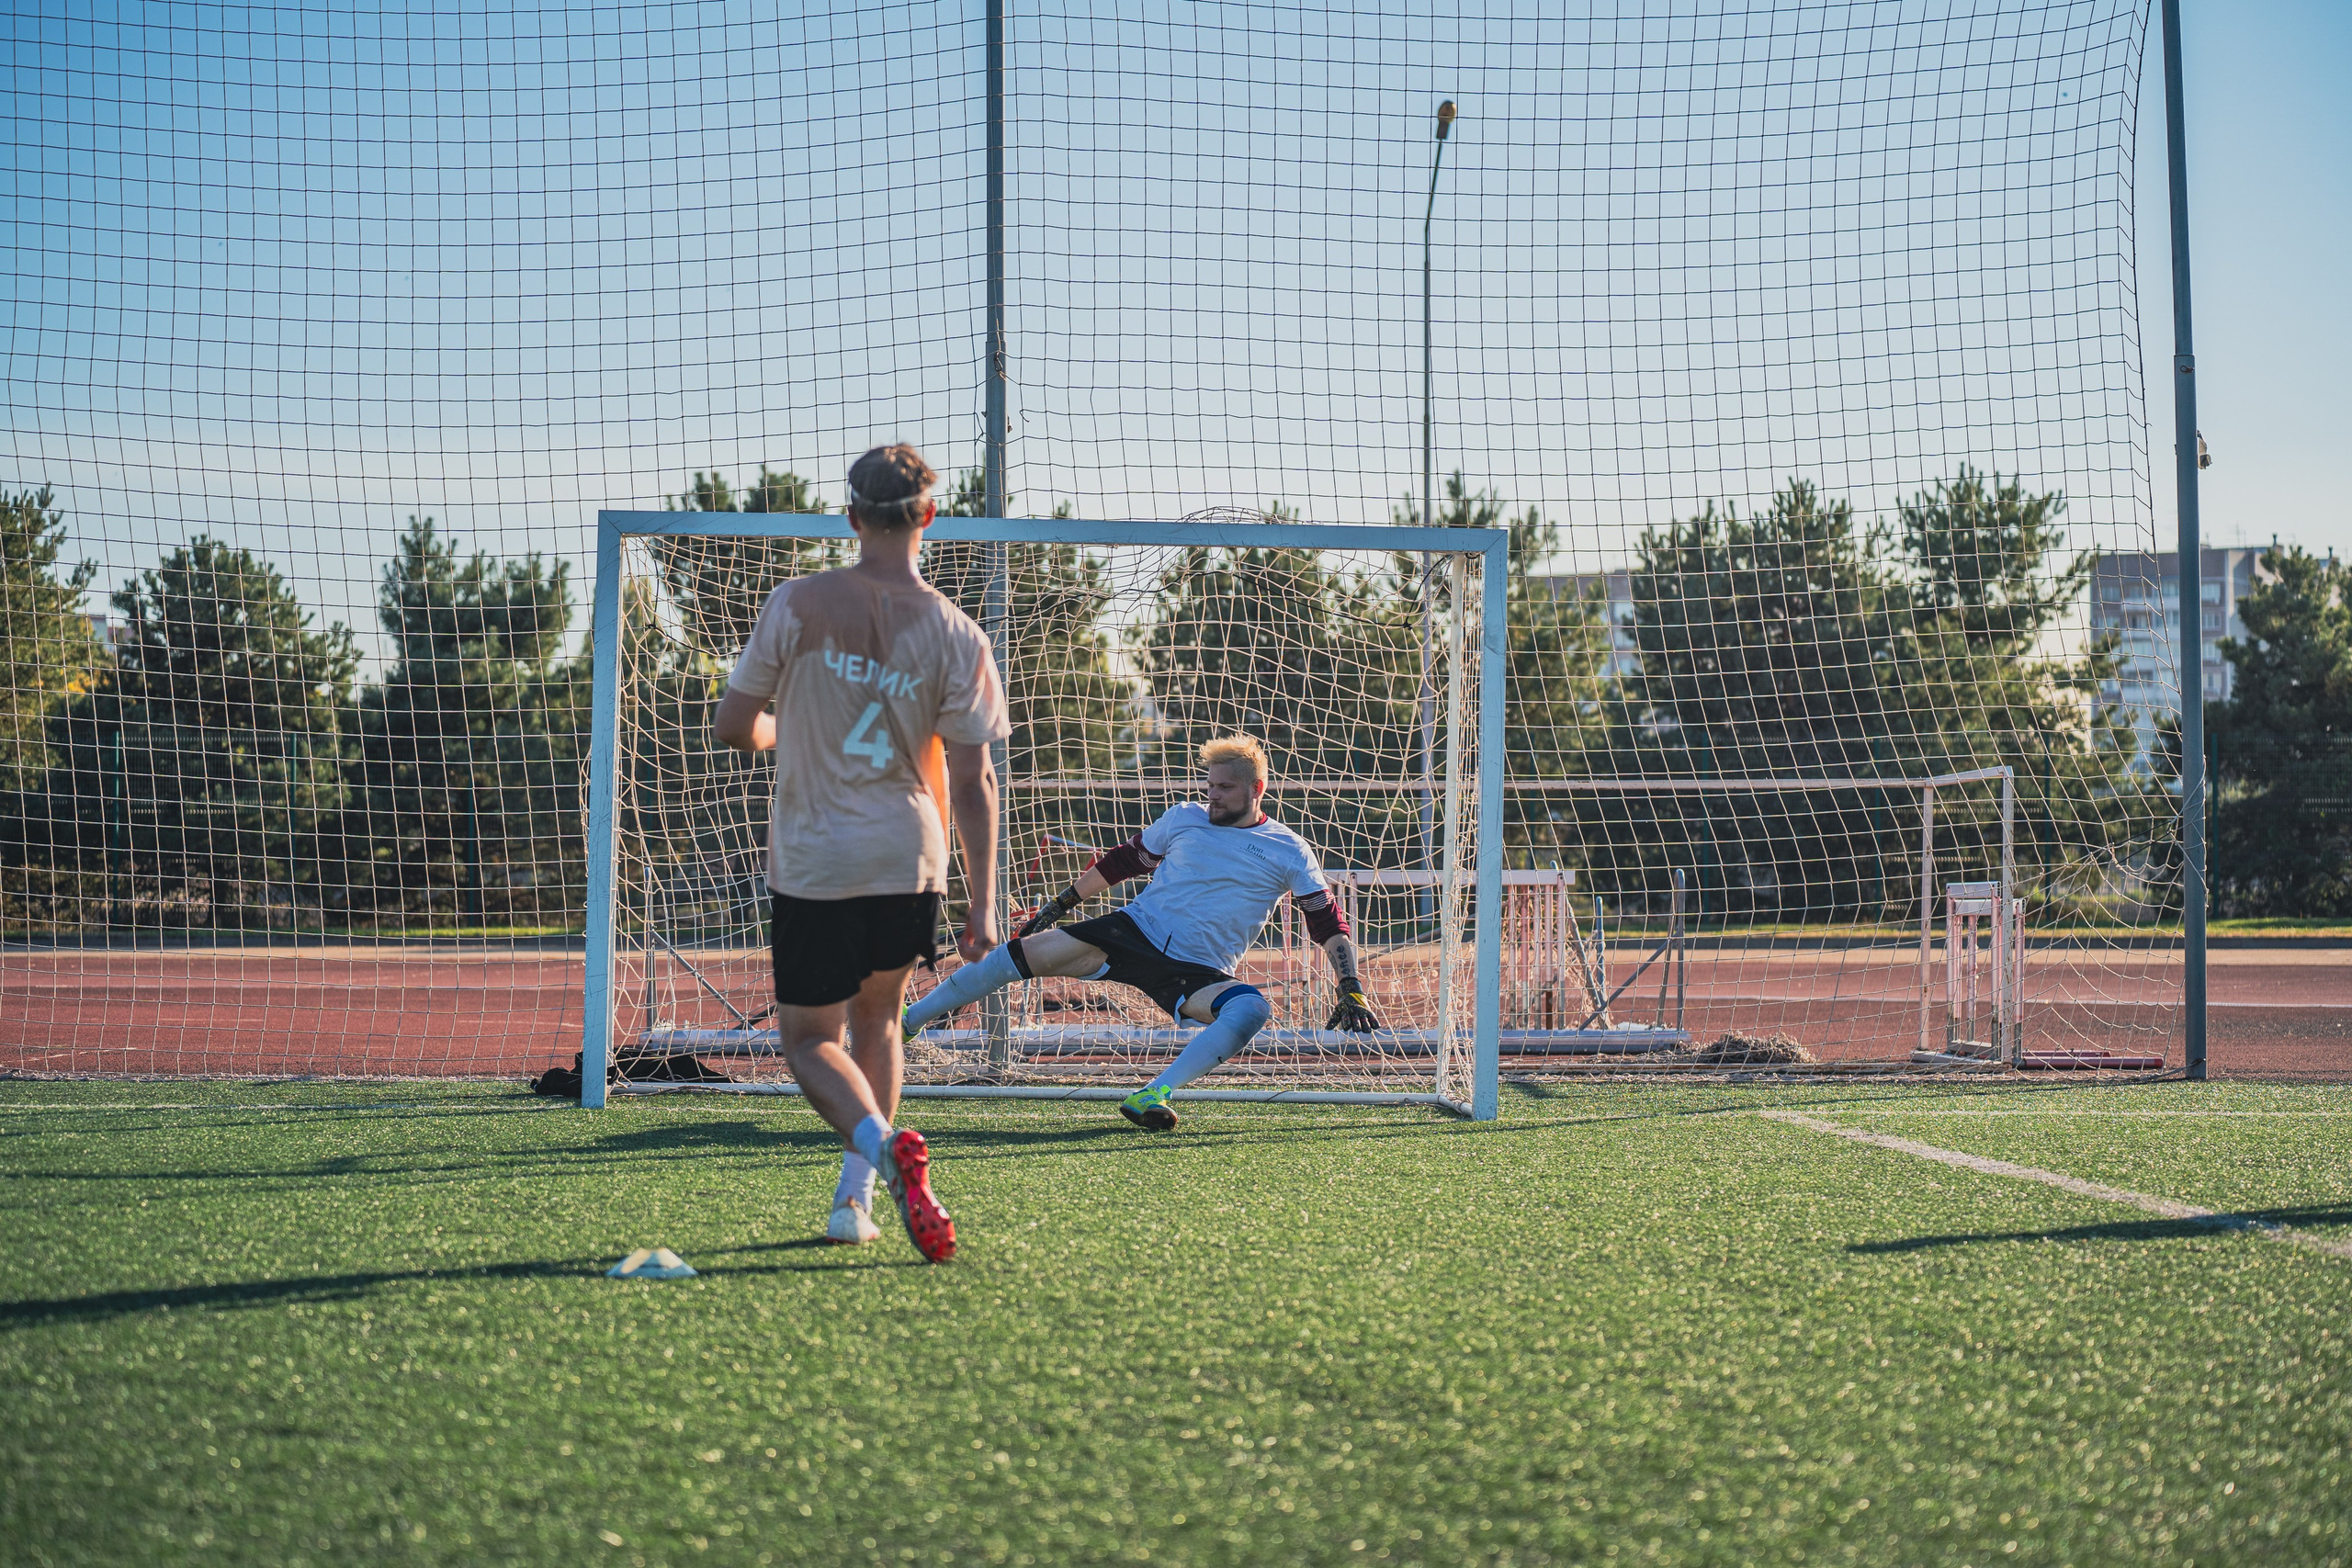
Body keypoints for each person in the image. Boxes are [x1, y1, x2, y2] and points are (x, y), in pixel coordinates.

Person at [711, 443, 1006, 1261]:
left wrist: (777, 731)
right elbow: (977, 782)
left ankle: (882, 1150)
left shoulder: (798, 602)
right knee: (880, 1019)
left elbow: (734, 726)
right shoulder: (957, 632)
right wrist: (982, 904)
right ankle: (855, 1203)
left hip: (817, 854)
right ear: (929, 518)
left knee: (810, 1040)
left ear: (851, 518)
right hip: (912, 855)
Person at [901, 735, 1381, 1130]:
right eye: (1210, 785)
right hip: (1132, 930)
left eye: (1226, 789)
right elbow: (1122, 863)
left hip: (1198, 969)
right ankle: (908, 1022)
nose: (1213, 795)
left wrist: (1351, 985)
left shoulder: (1289, 851)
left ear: (1257, 790)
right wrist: (1060, 905)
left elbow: (1326, 923)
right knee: (1014, 956)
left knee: (1252, 1008)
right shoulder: (1184, 817)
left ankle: (1153, 1093)